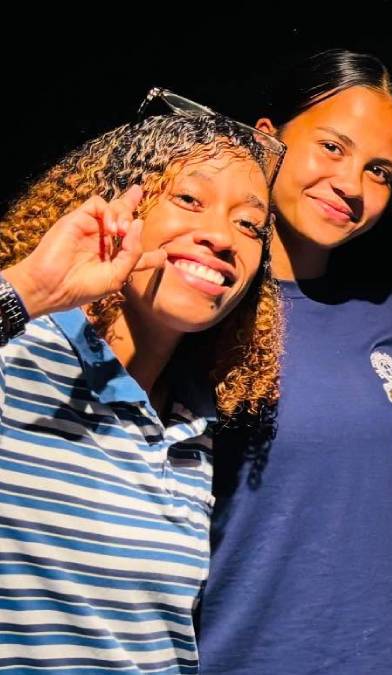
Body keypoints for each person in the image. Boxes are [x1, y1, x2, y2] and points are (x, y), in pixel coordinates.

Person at [0, 106, 282, 673]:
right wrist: (28, 288)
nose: (221, 236)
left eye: (250, 225)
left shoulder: (195, 429)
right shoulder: (20, 357)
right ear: (120, 206)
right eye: (190, 199)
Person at [197, 50, 392, 674]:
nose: (351, 184)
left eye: (378, 170)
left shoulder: (388, 319)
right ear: (266, 140)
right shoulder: (197, 307)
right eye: (332, 147)